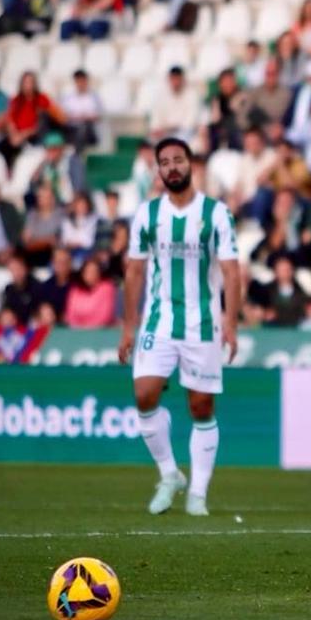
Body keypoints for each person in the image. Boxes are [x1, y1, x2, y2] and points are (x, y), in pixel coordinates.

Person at [118, 137, 241, 517]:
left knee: (201, 405)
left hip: (202, 322)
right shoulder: (147, 214)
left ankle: (198, 494)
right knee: (144, 394)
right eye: (165, 162)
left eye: (178, 160)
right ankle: (170, 474)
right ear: (158, 170)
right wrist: (128, 326)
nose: (172, 167)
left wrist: (230, 321)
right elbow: (135, 271)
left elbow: (231, 271)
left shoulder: (217, 214)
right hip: (159, 318)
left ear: (191, 165)